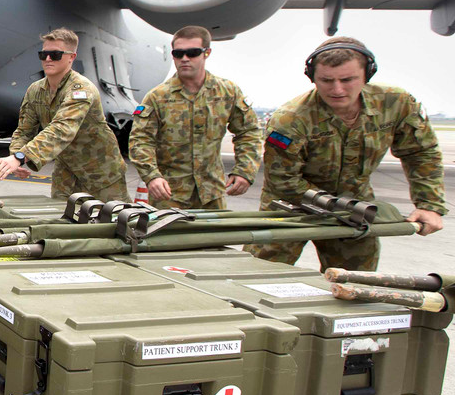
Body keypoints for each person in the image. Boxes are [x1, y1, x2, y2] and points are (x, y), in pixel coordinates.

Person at [245, 37, 445, 271]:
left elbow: (420, 153)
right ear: (312, 77)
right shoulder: (291, 120)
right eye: (326, 80)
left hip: (355, 207)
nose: (337, 89)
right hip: (290, 208)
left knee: (355, 280)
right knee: (258, 273)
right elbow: (284, 181)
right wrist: (338, 207)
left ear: (367, 75)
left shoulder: (395, 104)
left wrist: (429, 205)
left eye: (347, 80)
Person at [128, 26, 261, 210]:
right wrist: (152, 176)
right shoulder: (157, 97)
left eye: (192, 53)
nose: (184, 58)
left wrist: (245, 171)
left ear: (207, 53)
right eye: (178, 54)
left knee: (216, 231)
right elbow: (140, 140)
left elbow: (248, 132)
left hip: (212, 193)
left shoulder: (227, 92)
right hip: (170, 195)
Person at [0, 28, 128, 201]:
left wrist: (21, 157)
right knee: (61, 215)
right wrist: (15, 154)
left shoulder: (81, 90)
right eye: (43, 54)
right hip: (66, 172)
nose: (48, 59)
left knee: (114, 216)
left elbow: (62, 129)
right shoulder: (36, 90)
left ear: (71, 57)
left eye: (55, 55)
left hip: (101, 173)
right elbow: (24, 130)